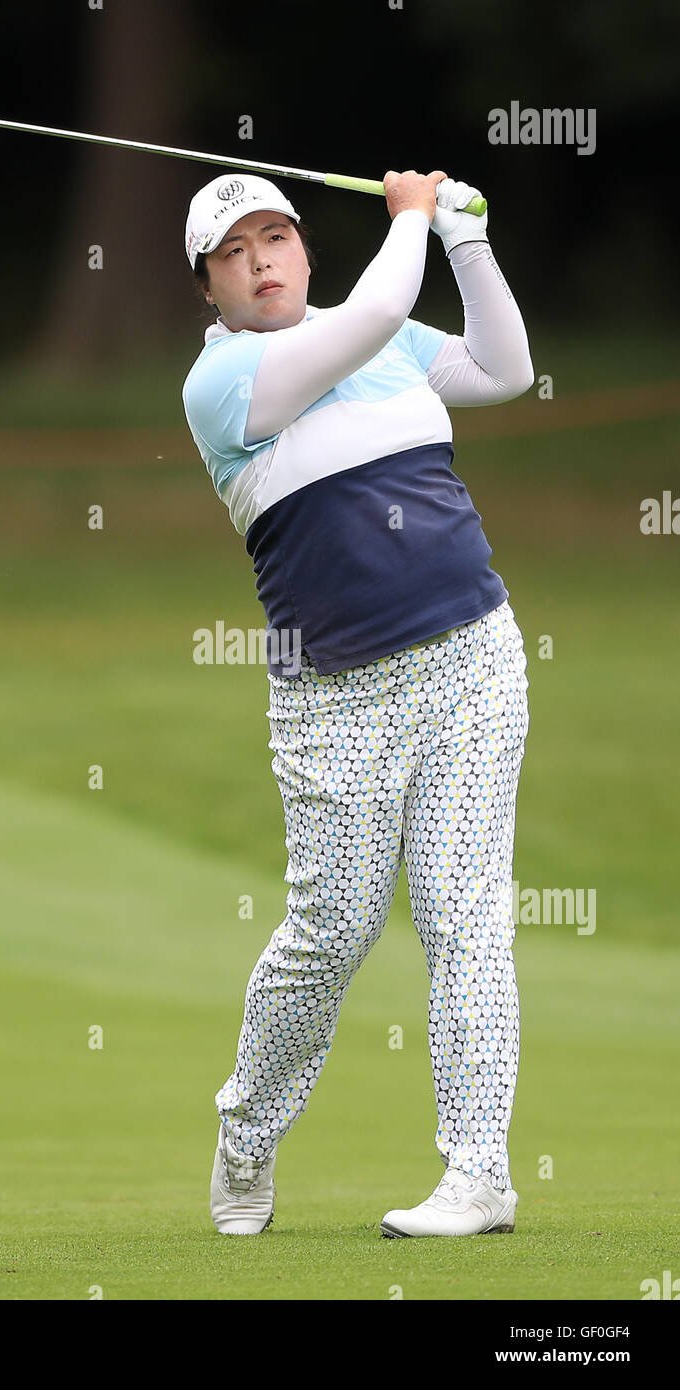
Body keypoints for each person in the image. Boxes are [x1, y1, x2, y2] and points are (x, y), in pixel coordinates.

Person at [181, 167, 534, 1238]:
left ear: (300, 248)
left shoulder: (374, 332)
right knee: (327, 934)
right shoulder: (225, 383)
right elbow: (382, 299)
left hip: (474, 658)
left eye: (274, 236)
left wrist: (466, 241)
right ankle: (245, 1133)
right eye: (233, 252)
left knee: (463, 918)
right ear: (207, 287)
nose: (261, 261)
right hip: (335, 699)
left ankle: (477, 1175)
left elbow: (504, 370)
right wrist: (416, 216)